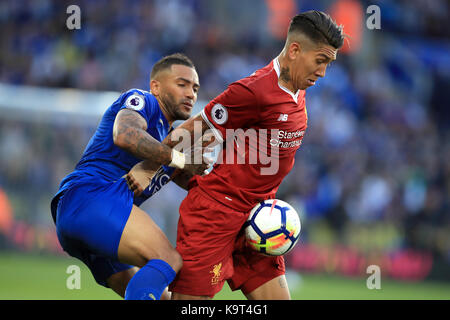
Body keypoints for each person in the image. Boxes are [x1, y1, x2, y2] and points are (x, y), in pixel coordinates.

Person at [129, 10, 345, 300]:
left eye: (328, 63)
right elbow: (197, 129)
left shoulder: (299, 88)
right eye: (320, 61)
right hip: (215, 216)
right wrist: (149, 166)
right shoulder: (254, 91)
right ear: (294, 50)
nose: (323, 72)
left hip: (259, 219)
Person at [50, 53, 208, 300]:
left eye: (195, 88)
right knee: (168, 258)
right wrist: (180, 160)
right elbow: (125, 134)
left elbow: (199, 184)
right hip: (91, 197)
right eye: (182, 84)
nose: (190, 93)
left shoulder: (170, 140)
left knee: (156, 295)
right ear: (155, 86)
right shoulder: (144, 101)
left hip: (86, 218)